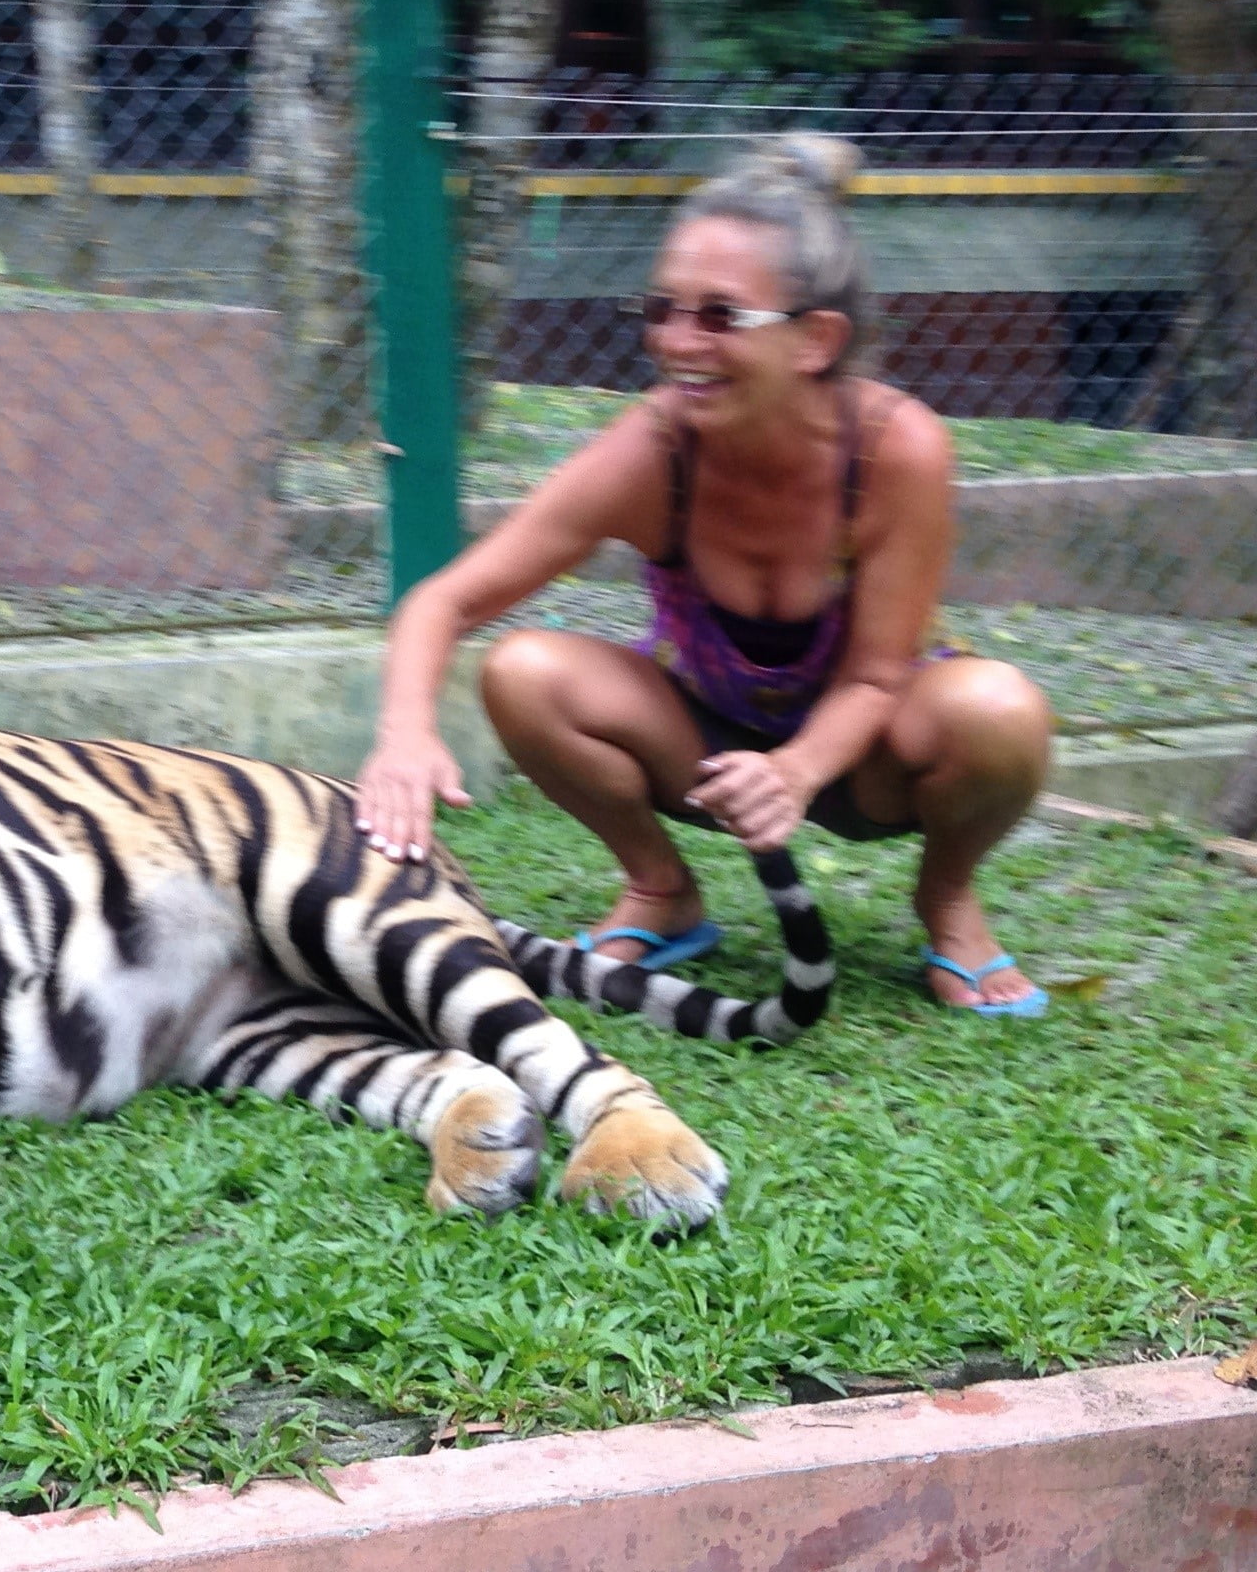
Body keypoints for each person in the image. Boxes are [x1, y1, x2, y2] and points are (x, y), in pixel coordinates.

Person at [353, 133, 1053, 1018]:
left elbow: (880, 673)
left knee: (999, 711)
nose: (677, 342)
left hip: (869, 755)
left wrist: (796, 773)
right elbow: (446, 600)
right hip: (711, 750)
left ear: (815, 340)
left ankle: (947, 900)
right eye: (663, 308)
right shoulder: (652, 450)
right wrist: (405, 733)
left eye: (720, 316)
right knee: (523, 671)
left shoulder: (897, 448)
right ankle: (661, 889)